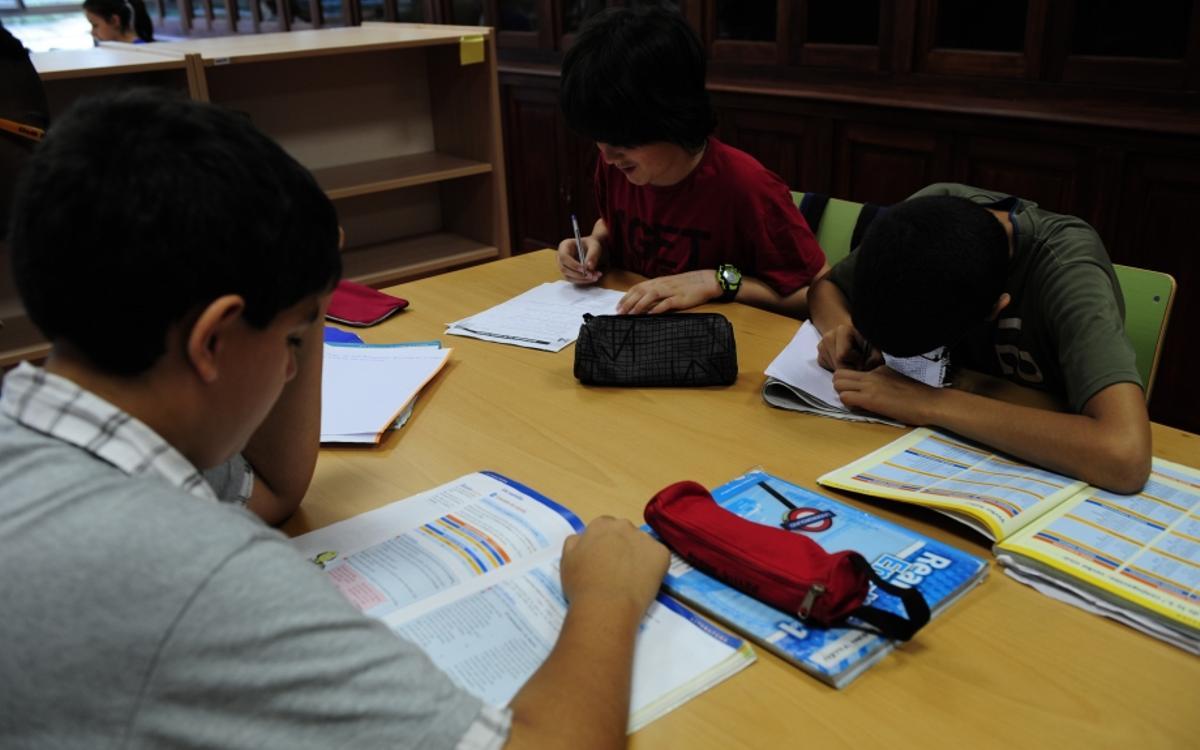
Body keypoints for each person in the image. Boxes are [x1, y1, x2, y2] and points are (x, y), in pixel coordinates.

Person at [1, 89, 669, 748]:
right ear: (212, 342)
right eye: (294, 337)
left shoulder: (42, 430)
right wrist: (606, 595)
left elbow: (273, 490)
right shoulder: (192, 574)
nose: (292, 368)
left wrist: (303, 286)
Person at [809, 182, 1151, 494]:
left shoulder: (1071, 275)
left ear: (996, 309)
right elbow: (827, 289)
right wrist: (843, 328)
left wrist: (929, 403)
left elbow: (1124, 455)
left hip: (1027, 473)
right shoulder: (927, 217)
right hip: (925, 449)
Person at [556, 5, 828, 318]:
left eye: (620, 139)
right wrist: (595, 244)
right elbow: (616, 222)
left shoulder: (746, 187)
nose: (606, 155)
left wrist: (718, 280)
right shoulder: (617, 169)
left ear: (672, 115)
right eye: (597, 137)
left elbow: (821, 294)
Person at [82, 0, 154, 44]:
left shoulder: (141, 51)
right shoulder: (111, 49)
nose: (92, 33)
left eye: (95, 25)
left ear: (114, 21)